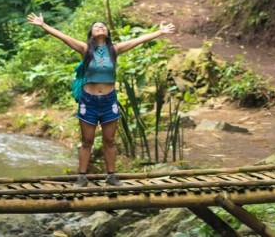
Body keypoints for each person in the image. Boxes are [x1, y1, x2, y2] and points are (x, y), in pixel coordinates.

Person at [26, 13, 176, 186]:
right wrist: (43, 25)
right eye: (96, 26)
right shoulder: (85, 49)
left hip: (108, 101)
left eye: (103, 26)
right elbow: (63, 37)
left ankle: (111, 176)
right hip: (88, 101)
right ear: (91, 33)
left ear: (108, 32)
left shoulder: (115, 49)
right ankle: (82, 177)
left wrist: (160, 32)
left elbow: (139, 40)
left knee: (109, 141)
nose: (100, 27)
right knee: (87, 141)